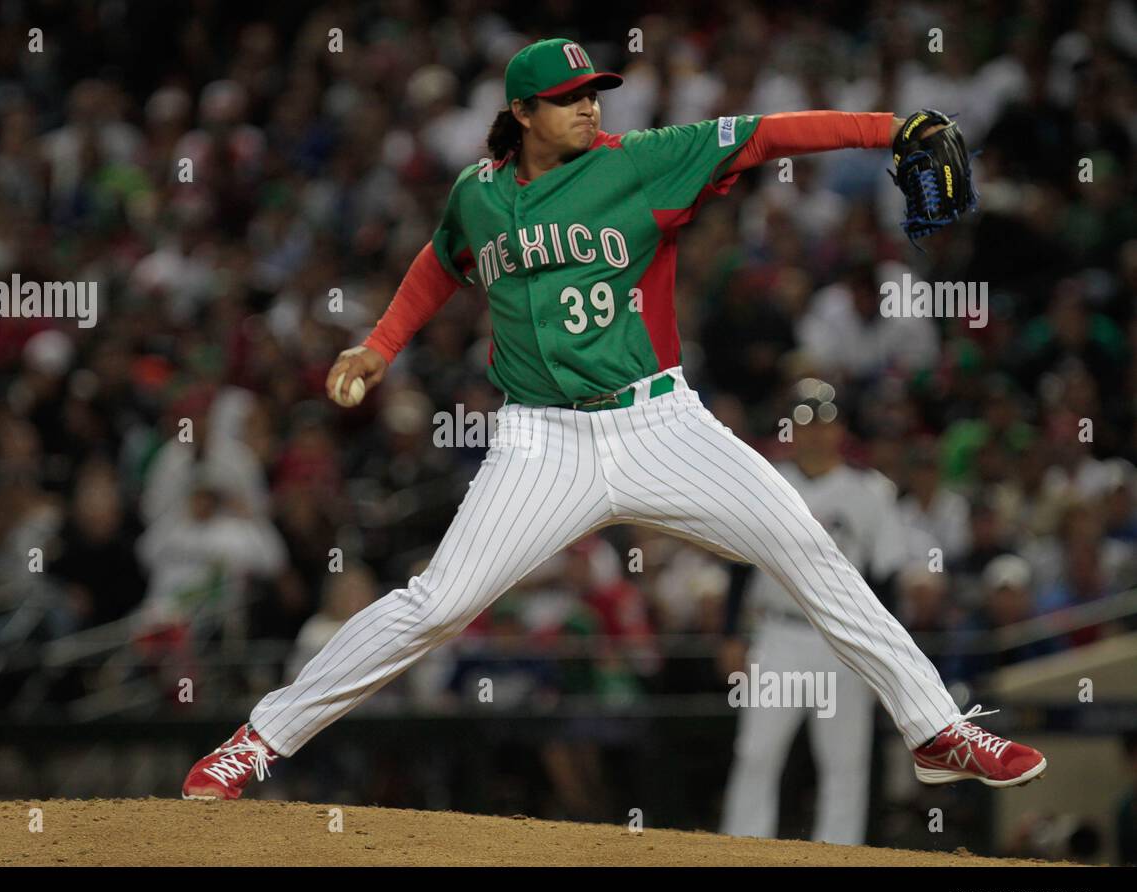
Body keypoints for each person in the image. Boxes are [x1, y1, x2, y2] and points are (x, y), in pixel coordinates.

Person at [182, 38, 1046, 801]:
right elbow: (442, 261)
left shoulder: (642, 159)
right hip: (540, 441)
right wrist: (379, 346)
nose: (590, 105)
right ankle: (258, 741)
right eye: (568, 98)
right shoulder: (479, 195)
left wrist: (891, 127)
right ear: (522, 113)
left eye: (594, 91)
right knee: (436, 604)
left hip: (660, 425)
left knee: (809, 548)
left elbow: (768, 132)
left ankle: (937, 731)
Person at [718, 381, 908, 845]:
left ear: (840, 429)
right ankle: (742, 850)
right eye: (806, 422)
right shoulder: (768, 483)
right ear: (792, 430)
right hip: (779, 634)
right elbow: (741, 569)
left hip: (845, 642)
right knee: (756, 752)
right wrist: (730, 634)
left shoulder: (870, 491)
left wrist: (888, 656)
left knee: (845, 762)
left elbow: (886, 580)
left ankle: (839, 853)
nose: (817, 433)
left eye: (825, 422)